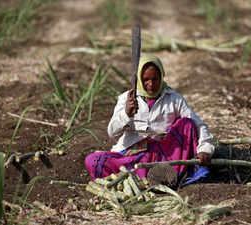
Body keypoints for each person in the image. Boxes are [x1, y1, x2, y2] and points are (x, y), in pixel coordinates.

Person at [85, 55, 215, 185]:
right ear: (139, 80)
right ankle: (146, 175)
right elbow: (112, 133)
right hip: (132, 156)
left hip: (165, 154)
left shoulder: (174, 99)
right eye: (146, 80)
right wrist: (126, 114)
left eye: (155, 79)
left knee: (187, 124)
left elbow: (199, 125)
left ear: (162, 77)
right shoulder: (127, 99)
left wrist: (204, 149)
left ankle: (165, 174)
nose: (151, 84)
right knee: (93, 160)